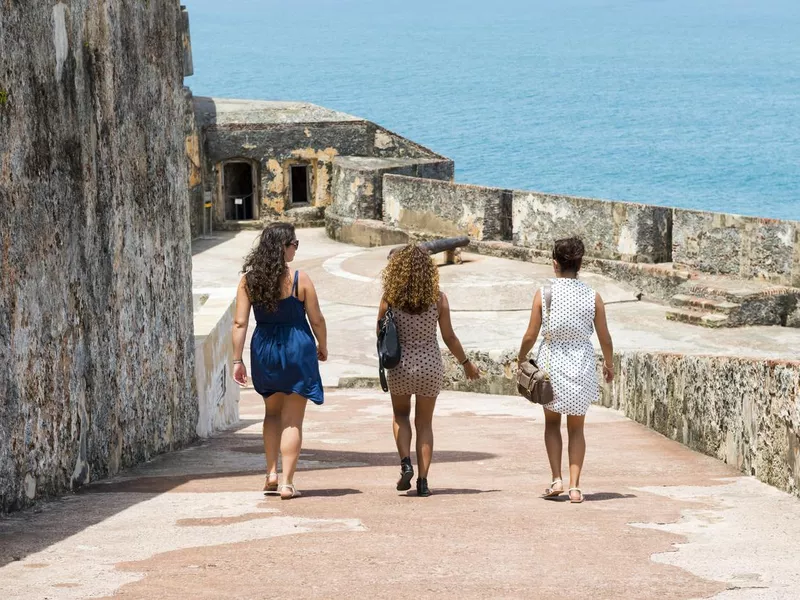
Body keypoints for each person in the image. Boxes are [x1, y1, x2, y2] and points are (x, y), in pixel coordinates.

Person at [232, 223, 327, 500]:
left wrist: (237, 360)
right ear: (282, 247)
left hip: (265, 349)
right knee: (293, 420)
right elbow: (317, 319)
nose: (296, 247)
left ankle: (271, 473)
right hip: (298, 347)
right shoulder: (300, 279)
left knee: (272, 413)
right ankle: (287, 483)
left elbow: (240, 323)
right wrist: (323, 345)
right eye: (294, 243)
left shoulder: (249, 281)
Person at [377, 244, 480, 497]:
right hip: (430, 366)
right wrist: (466, 364)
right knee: (425, 424)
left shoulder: (390, 297)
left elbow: (381, 332)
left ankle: (405, 464)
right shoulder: (438, 298)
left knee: (401, 416)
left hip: (400, 365)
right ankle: (423, 481)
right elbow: (449, 337)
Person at [517, 237, 614, 504]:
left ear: (555, 263)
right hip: (581, 365)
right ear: (580, 264)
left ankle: (556, 478)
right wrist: (609, 365)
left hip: (551, 365)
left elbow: (530, 334)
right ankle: (575, 487)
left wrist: (521, 358)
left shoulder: (544, 294)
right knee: (576, 428)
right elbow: (605, 338)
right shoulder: (593, 296)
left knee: (551, 424)